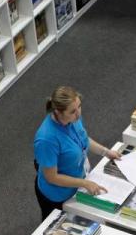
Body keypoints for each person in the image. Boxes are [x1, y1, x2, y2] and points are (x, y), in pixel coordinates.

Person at [34, 86, 121, 220]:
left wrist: (106, 152)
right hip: (56, 194)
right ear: (58, 112)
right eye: (73, 111)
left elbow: (83, 139)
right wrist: (84, 183)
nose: (78, 113)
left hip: (77, 182)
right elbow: (52, 177)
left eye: (79, 106)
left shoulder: (73, 118)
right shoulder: (46, 139)